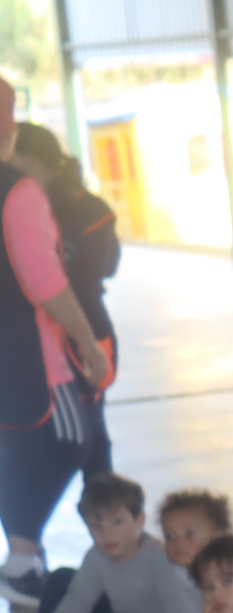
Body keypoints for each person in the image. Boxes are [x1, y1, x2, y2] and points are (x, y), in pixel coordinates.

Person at [0, 79, 113, 610]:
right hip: (28, 355)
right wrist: (88, 342)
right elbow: (44, 281)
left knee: (14, 450)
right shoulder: (18, 192)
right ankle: (22, 557)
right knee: (74, 438)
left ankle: (24, 560)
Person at [5, 124, 119, 490]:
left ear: (31, 161)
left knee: (88, 434)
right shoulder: (19, 199)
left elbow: (87, 276)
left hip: (82, 331)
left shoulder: (82, 210)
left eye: (10, 155)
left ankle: (108, 519)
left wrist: (79, 337)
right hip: (49, 339)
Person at [17, 472, 201, 613]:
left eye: (117, 522)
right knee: (61, 578)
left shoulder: (160, 560)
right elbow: (76, 603)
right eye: (96, 526)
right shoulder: (97, 556)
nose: (107, 534)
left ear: (139, 520)